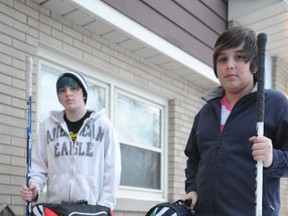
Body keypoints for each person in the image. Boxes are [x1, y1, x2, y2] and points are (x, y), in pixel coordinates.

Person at [183, 26, 288, 215]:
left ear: (254, 65)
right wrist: (192, 189)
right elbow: (194, 159)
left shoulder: (275, 104)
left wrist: (273, 159)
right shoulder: (206, 112)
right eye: (222, 59)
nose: (230, 65)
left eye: (239, 57)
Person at [20, 70, 121, 214]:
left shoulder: (103, 125)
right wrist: (34, 188)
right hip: (57, 208)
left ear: (84, 93)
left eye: (74, 88)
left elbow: (113, 169)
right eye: (62, 90)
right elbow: (38, 167)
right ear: (59, 97)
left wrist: (105, 205)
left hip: (92, 209)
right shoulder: (47, 127)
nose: (68, 93)